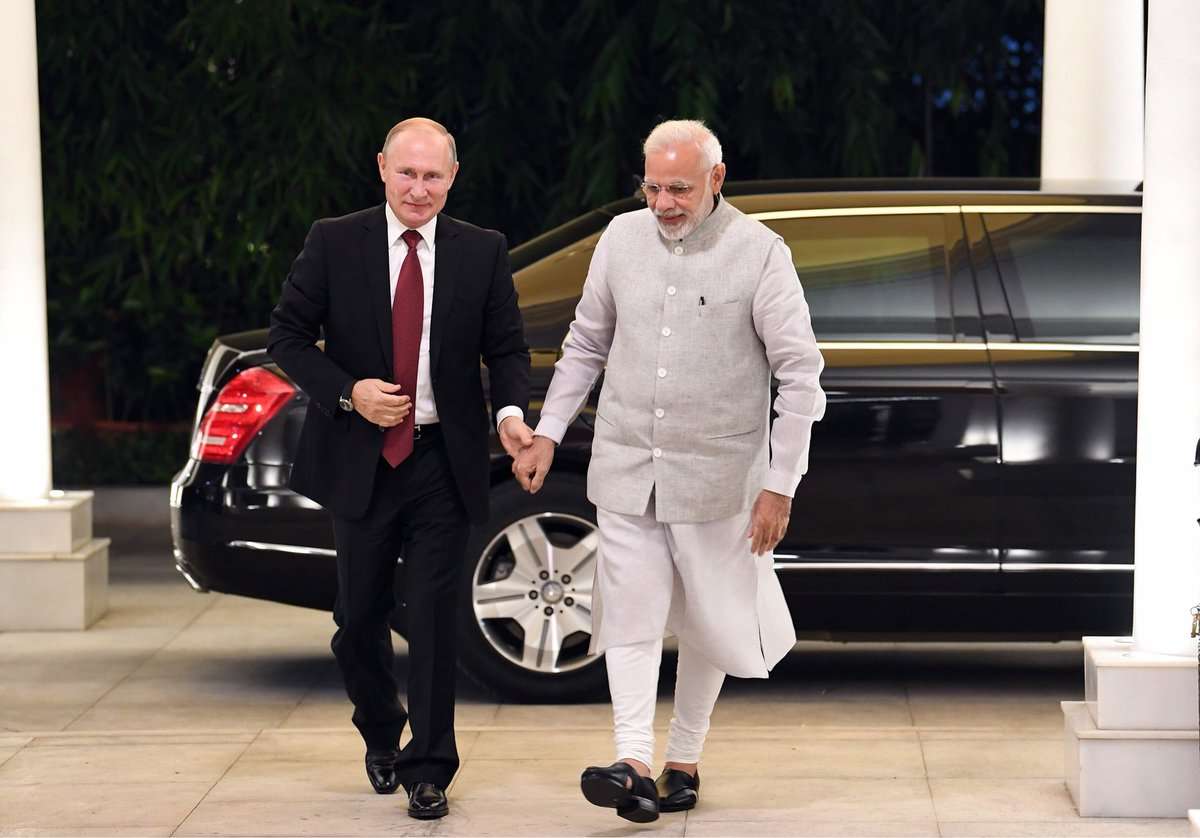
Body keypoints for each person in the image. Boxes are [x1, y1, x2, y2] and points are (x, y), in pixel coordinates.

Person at [514, 119, 826, 822]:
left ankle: (683, 758)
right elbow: (585, 344)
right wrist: (547, 432)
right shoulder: (620, 239)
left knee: (710, 618)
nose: (663, 203)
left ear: (717, 179)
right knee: (629, 610)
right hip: (626, 463)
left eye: (679, 189)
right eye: (652, 187)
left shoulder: (761, 253)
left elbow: (801, 376)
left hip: (721, 475)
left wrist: (780, 485)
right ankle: (631, 762)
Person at [268, 117, 532, 820]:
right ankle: (382, 728)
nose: (419, 189)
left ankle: (430, 766)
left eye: (433, 176)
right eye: (407, 173)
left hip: (444, 459)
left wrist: (510, 415)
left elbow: (507, 348)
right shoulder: (335, 240)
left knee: (436, 617)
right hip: (362, 460)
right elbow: (286, 336)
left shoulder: (482, 250)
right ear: (382, 168)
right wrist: (347, 392)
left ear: (453, 178)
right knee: (359, 619)